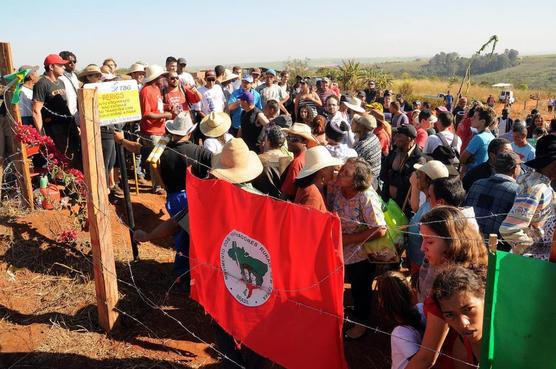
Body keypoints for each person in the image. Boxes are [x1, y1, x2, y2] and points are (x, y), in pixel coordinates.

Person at [406, 206, 488, 369]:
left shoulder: (447, 292)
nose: (423, 248)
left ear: (452, 242)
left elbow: (426, 358)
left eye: (429, 241)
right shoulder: (481, 269)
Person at [328, 157, 387, 339]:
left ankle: (362, 323)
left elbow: (380, 229)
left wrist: (349, 239)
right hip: (340, 250)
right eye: (342, 169)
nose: (340, 174)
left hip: (360, 254)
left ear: (356, 182)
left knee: (361, 288)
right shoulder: (338, 187)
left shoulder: (365, 196)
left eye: (346, 173)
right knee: (350, 287)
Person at [159, 111, 213, 278]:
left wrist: (122, 140)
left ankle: (184, 272)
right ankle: (187, 273)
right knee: (190, 235)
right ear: (190, 132)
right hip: (195, 197)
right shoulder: (201, 152)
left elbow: (139, 148)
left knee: (181, 233)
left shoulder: (162, 151)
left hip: (174, 197)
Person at [500, 135, 556, 260]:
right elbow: (509, 229)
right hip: (534, 264)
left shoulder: (542, 184)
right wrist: (536, 251)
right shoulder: (535, 189)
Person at [32, 54, 81, 169]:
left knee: (74, 154)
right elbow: (35, 110)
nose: (64, 67)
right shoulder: (42, 84)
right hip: (54, 129)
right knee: (61, 159)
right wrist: (41, 134)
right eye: (61, 65)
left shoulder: (61, 82)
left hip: (68, 126)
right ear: (51, 67)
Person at [432, 266, 487, 367]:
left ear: (485, 300)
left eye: (468, 309)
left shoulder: (516, 338)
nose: (463, 324)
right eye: (450, 315)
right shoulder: (461, 348)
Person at [464, 152, 521, 242]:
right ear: (514, 169)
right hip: (498, 249)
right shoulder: (517, 191)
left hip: (471, 242)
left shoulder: (477, 184)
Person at [406, 161, 450, 274]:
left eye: (419, 176)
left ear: (427, 180)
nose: (417, 178)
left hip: (424, 266)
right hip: (418, 261)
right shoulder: (428, 202)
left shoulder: (433, 208)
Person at [376, 272, 425, 369]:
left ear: (381, 302)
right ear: (411, 292)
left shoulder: (400, 333)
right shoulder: (422, 308)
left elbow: (420, 363)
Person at [139, 64, 172, 194]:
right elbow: (146, 113)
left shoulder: (156, 89)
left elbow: (156, 107)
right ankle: (157, 186)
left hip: (160, 129)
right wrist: (165, 114)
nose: (164, 78)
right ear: (156, 77)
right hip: (151, 131)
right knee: (155, 159)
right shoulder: (146, 91)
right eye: (162, 76)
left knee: (159, 158)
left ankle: (160, 184)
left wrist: (167, 107)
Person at [380, 124, 425, 216]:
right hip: (387, 201)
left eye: (399, 135)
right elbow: (383, 175)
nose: (396, 137)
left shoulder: (418, 159)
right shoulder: (394, 152)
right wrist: (397, 176)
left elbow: (408, 183)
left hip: (404, 207)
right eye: (396, 134)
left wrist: (391, 174)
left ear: (409, 139)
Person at [294, 145, 342, 211]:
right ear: (323, 170)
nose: (333, 170)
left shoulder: (310, 187)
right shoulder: (312, 195)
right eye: (331, 167)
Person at [280, 123, 317, 200]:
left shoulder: (297, 163)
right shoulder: (309, 157)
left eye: (294, 139)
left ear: (305, 142)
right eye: (288, 137)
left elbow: (285, 195)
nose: (289, 141)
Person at [460, 106, 496, 173]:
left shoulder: (479, 138)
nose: (471, 119)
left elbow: (462, 159)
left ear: (482, 121)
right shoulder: (492, 136)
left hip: (472, 176)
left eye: (475, 117)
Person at [351, 114, 381, 188]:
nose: (356, 124)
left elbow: (351, 163)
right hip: (373, 179)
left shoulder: (363, 146)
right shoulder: (374, 137)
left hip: (366, 182)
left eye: (358, 123)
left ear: (362, 127)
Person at [58, 51, 80, 125]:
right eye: (69, 62)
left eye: (74, 61)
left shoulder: (74, 76)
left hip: (76, 113)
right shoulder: (59, 77)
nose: (72, 64)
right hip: (65, 115)